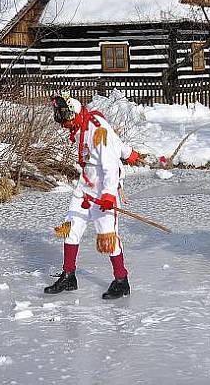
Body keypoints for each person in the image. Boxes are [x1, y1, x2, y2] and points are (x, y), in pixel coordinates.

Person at [45, 92, 140, 299]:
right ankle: (69, 275)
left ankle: (121, 280)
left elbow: (110, 167)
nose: (63, 125)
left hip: (104, 187)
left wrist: (108, 195)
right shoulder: (81, 124)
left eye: (66, 120)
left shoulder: (98, 132)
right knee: (70, 228)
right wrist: (127, 152)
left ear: (74, 114)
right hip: (85, 185)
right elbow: (114, 142)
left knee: (107, 236)